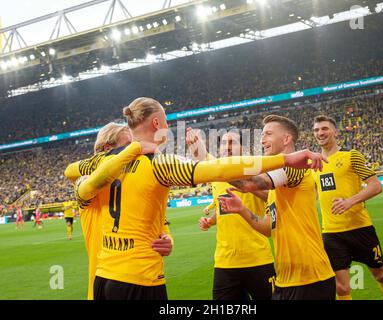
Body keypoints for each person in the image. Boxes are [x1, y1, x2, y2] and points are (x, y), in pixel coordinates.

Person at [66, 97, 326, 300]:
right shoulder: (161, 164)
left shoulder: (103, 161)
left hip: (102, 276)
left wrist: (166, 234)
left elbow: (71, 172)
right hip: (139, 278)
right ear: (156, 123)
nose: (168, 127)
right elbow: (217, 170)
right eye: (166, 121)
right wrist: (287, 158)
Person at [218, 115, 336, 300]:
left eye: (268, 134)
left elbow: (250, 184)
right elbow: (268, 228)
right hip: (285, 280)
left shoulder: (297, 166)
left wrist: (207, 168)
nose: (262, 139)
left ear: (286, 139)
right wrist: (242, 210)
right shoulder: (276, 186)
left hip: (311, 278)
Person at [65, 122, 173, 300]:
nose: (135, 150)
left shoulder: (134, 184)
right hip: (104, 284)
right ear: (108, 149)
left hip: (141, 281)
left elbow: (159, 219)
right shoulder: (89, 186)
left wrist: (168, 239)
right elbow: (70, 171)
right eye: (128, 145)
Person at [312, 115, 383, 300]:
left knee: (381, 275)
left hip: (360, 229)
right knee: (342, 288)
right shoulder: (314, 164)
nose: (320, 133)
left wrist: (350, 201)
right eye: (316, 130)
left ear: (335, 131)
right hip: (331, 233)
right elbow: (313, 195)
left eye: (324, 128)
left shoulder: (352, 156)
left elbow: (376, 185)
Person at [187, 128, 275, 300]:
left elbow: (270, 197)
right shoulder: (215, 171)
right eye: (223, 144)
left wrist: (247, 185)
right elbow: (223, 208)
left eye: (232, 143)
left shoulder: (256, 169)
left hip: (257, 258)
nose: (226, 147)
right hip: (225, 262)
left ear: (243, 148)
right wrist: (211, 221)